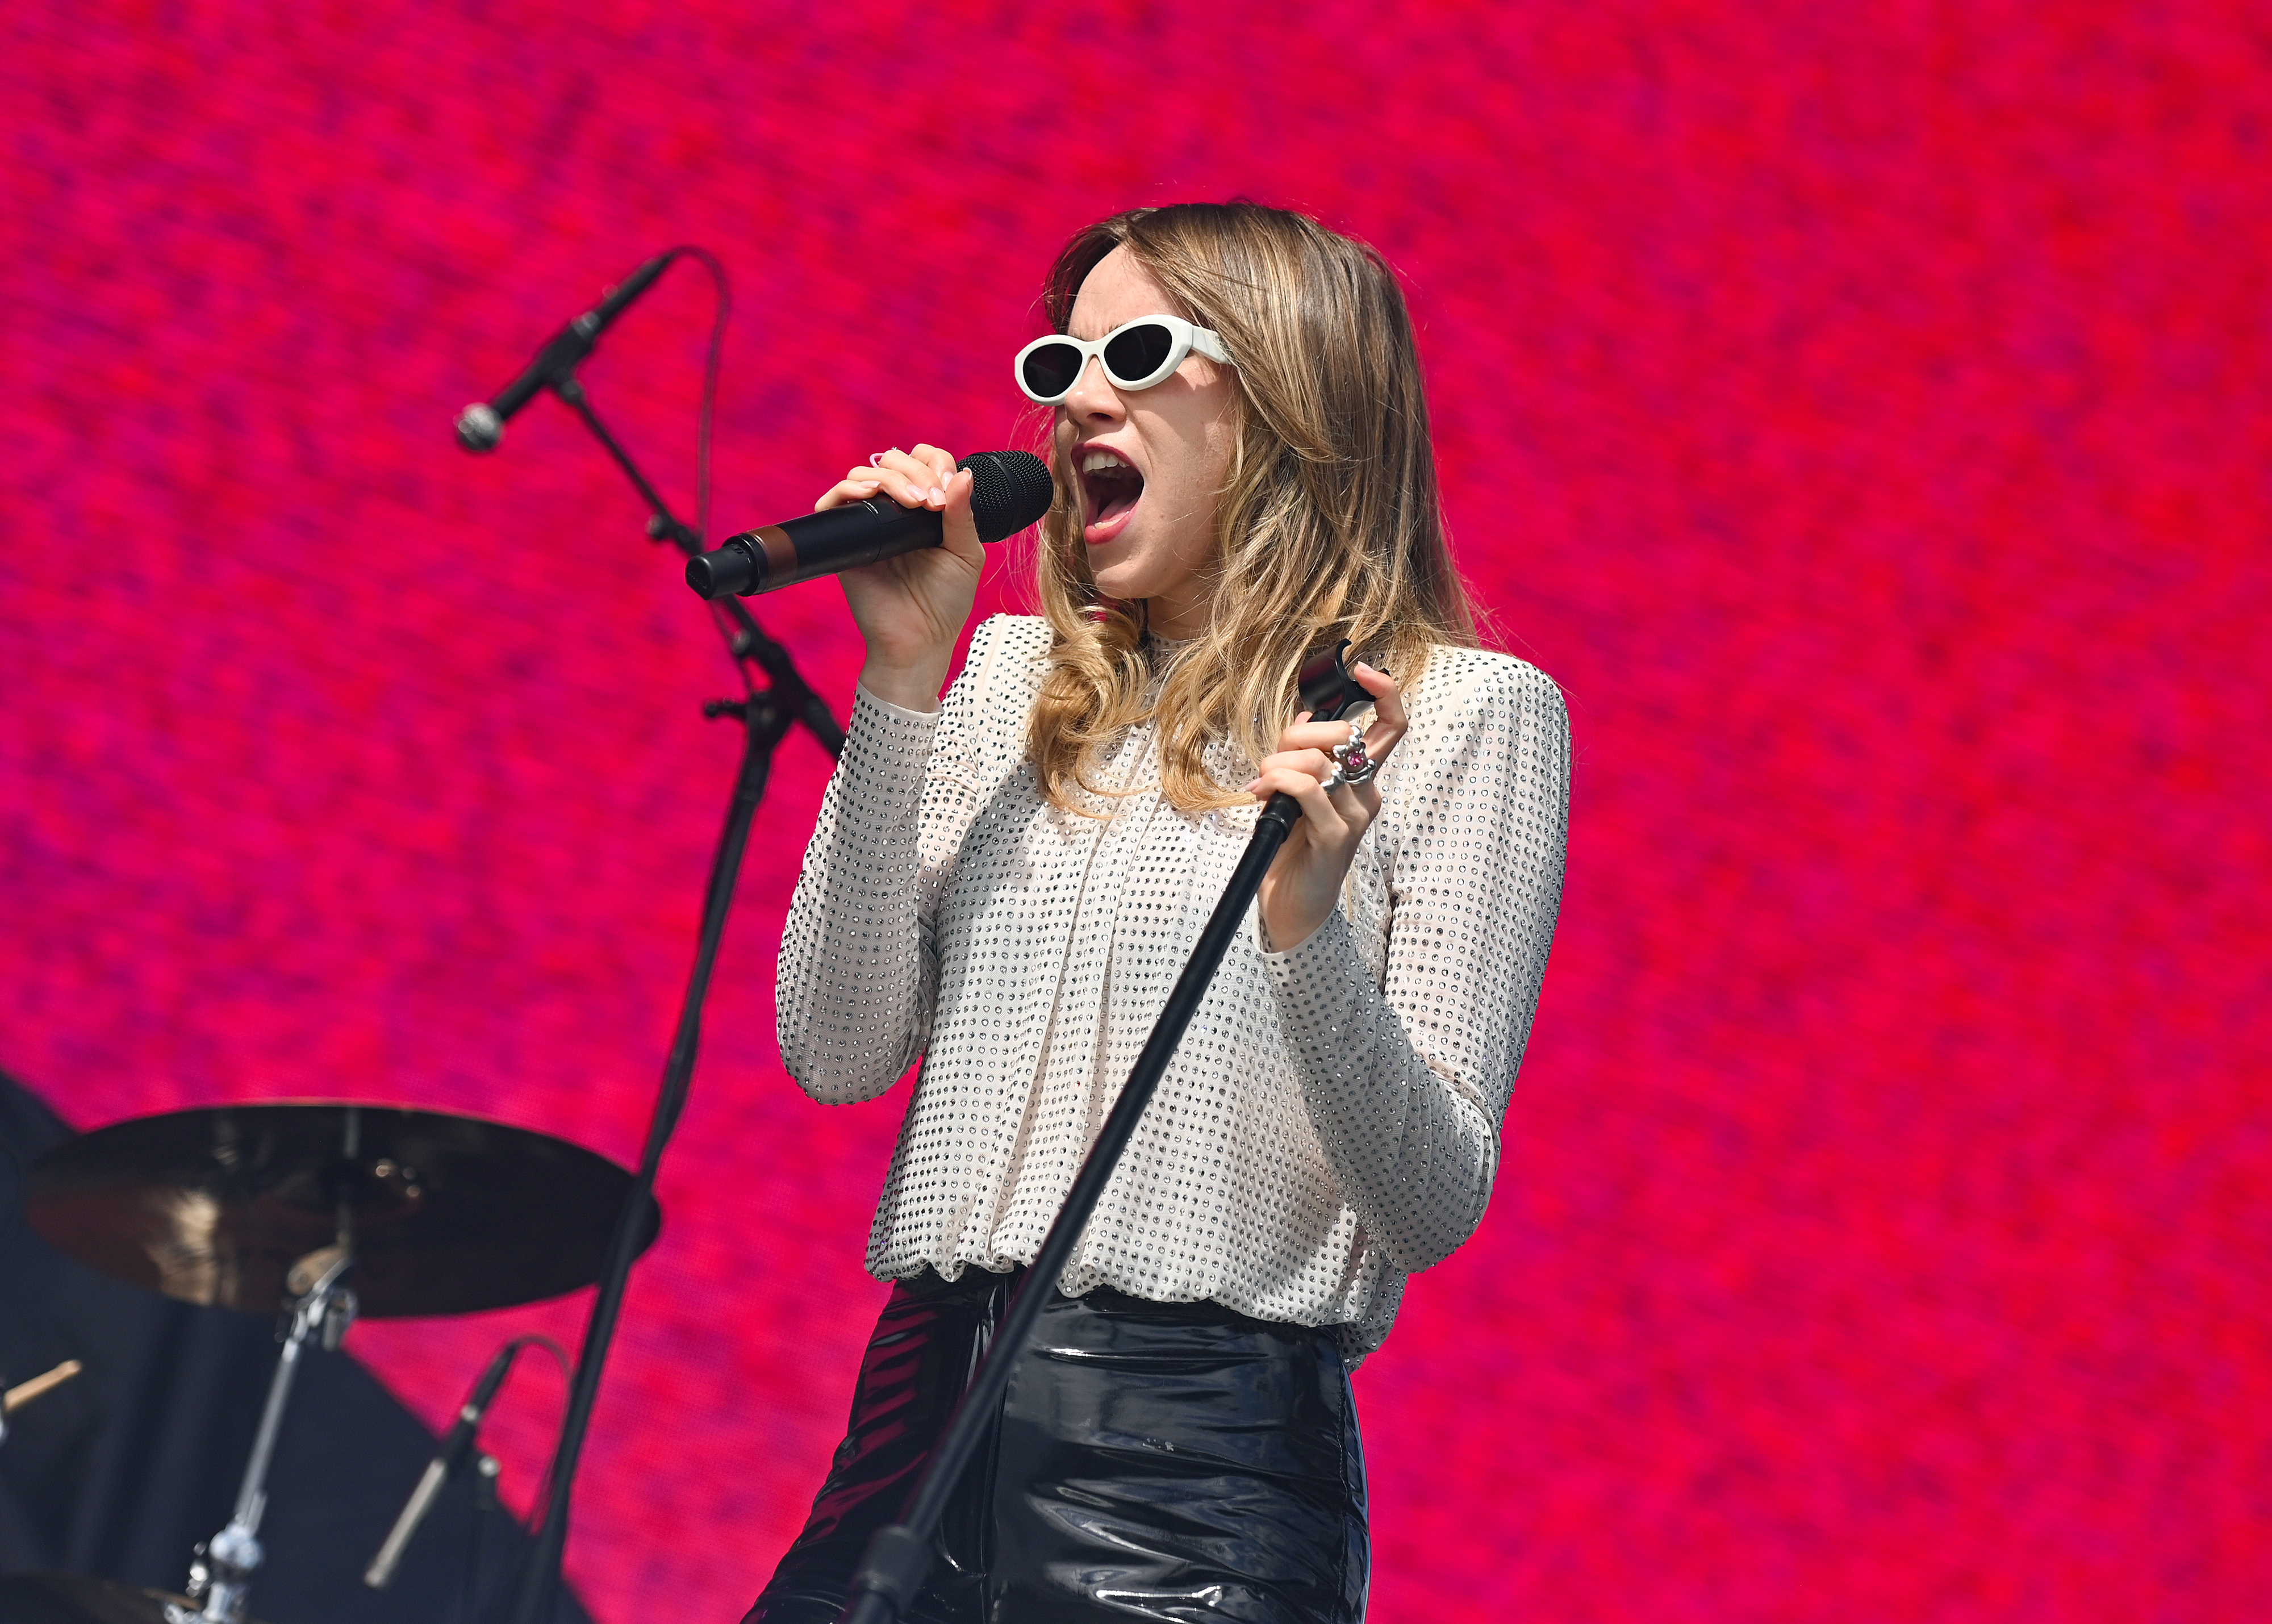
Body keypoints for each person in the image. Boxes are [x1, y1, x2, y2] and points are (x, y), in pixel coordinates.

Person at [747, 202, 1568, 1624]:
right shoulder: (1007, 682)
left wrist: (1307, 933)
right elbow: (834, 1048)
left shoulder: (1457, 717)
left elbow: (1430, 1202)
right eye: (1055, 364)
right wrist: (899, 681)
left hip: (1196, 1490)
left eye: (1131, 353)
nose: (1072, 403)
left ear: (1288, 394)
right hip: (912, 1435)